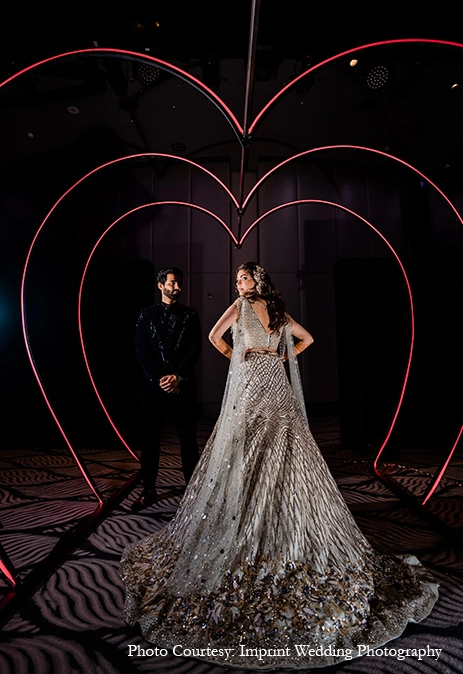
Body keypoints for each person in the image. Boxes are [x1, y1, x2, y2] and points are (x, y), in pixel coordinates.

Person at [121, 262, 438, 668]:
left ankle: (275, 513)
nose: (238, 283)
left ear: (258, 279)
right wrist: (262, 356)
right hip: (264, 381)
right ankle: (258, 509)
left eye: (243, 278)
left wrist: (256, 355)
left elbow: (259, 338)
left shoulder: (259, 308)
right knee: (260, 447)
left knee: (275, 448)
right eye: (236, 279)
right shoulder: (258, 307)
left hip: (265, 384)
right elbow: (263, 339)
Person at [130, 267, 202, 512]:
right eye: (172, 283)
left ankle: (192, 491)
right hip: (153, 387)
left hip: (183, 385)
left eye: (179, 283)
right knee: (150, 440)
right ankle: (148, 490)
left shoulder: (191, 314)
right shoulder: (146, 315)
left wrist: (177, 377)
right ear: (160, 285)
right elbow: (141, 350)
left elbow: (194, 349)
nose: (177, 287)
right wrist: (161, 378)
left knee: (188, 440)